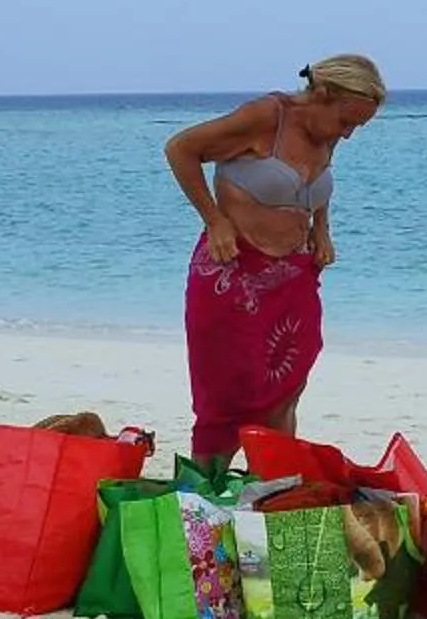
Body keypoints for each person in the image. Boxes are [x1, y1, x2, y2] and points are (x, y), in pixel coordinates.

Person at [161, 54, 386, 464]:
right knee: (225, 393)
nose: (348, 134)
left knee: (286, 387)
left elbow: (314, 178)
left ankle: (272, 490)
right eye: (346, 121)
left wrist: (321, 228)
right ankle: (205, 501)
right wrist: (214, 220)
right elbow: (180, 149)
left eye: (358, 126)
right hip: (232, 272)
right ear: (322, 95)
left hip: (293, 275)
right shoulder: (266, 116)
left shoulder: (326, 133)